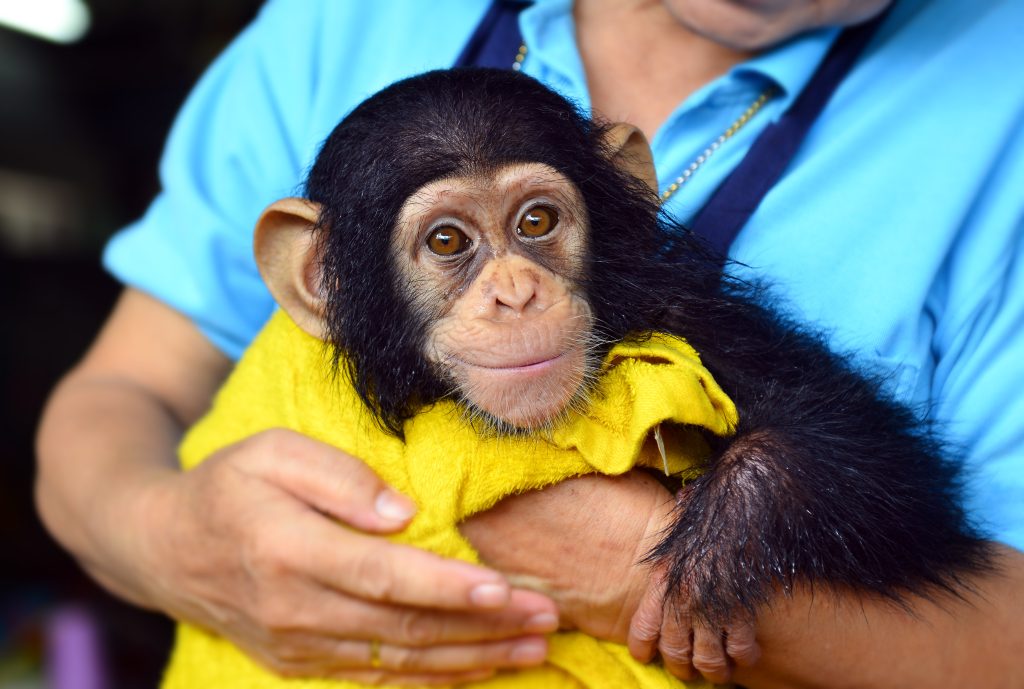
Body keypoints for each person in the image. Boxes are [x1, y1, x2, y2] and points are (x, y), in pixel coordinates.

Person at [36, 0, 1024, 686]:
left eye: (541, 224)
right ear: (318, 277)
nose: (511, 288)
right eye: (451, 242)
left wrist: (634, 567)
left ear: (621, 195)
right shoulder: (340, 26)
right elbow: (120, 395)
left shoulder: (995, 94)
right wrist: (169, 535)